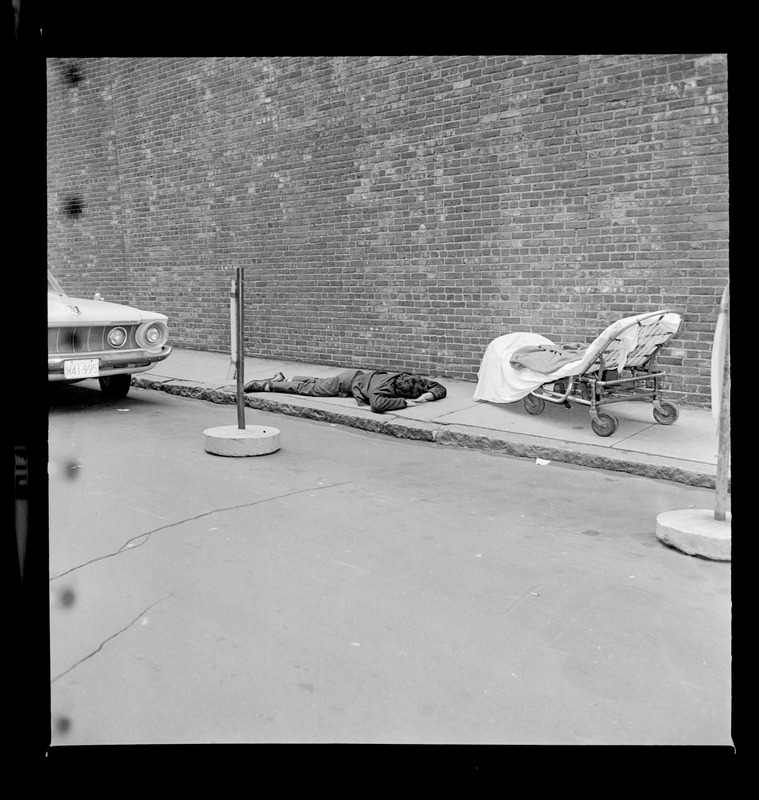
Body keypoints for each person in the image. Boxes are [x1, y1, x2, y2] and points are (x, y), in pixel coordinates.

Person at [244, 368, 447, 414]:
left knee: (317, 382)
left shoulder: (409, 379)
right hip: (345, 384)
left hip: (352, 377)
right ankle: (266, 385)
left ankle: (283, 379)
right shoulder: (383, 388)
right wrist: (406, 403)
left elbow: (439, 387)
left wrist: (428, 395)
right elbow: (377, 405)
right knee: (309, 390)